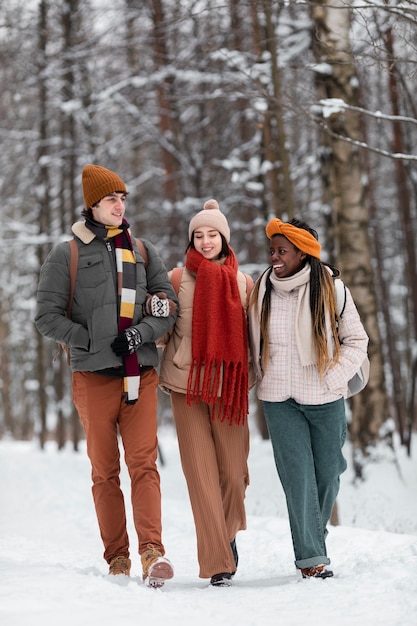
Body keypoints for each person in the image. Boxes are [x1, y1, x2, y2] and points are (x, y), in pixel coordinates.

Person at [35, 164, 178, 587]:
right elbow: (46, 317)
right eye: (111, 199)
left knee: (144, 464)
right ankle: (117, 558)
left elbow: (168, 306)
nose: (119, 205)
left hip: (141, 374)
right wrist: (90, 340)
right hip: (93, 377)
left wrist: (140, 334)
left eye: (123, 198)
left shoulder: (144, 250)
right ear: (93, 206)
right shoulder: (67, 254)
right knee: (104, 471)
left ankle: (153, 552)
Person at [248, 217, 369, 579]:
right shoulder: (261, 289)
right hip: (277, 398)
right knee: (297, 478)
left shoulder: (333, 289)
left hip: (325, 397)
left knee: (329, 473)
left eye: (282, 251)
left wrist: (331, 379)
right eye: (272, 250)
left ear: (303, 253)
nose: (275, 257)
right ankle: (311, 559)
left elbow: (357, 342)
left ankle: (312, 534)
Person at [158, 199, 254, 587]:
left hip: (229, 389)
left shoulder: (244, 283)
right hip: (187, 387)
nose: (205, 240)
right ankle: (217, 560)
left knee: (233, 475)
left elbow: (255, 339)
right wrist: (154, 310)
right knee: (200, 475)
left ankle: (226, 533)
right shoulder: (177, 278)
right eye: (198, 234)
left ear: (225, 238)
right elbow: (163, 334)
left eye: (212, 234)